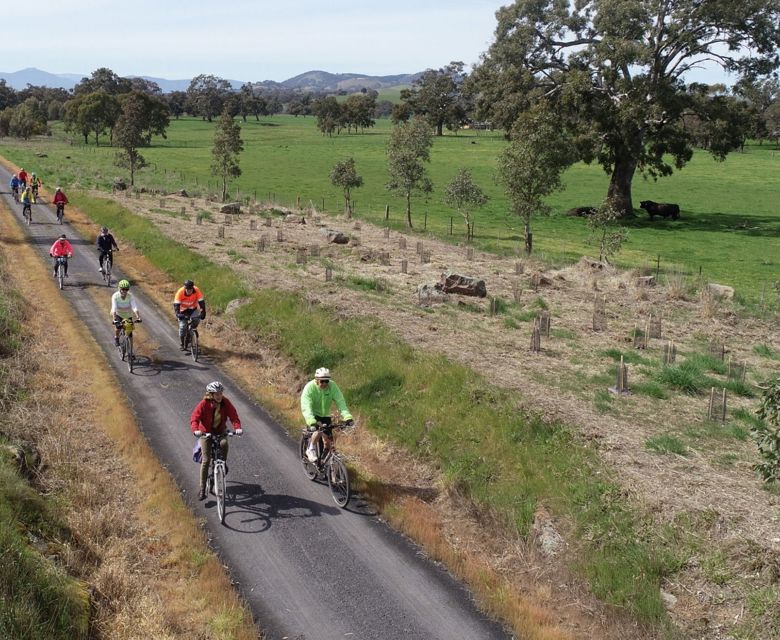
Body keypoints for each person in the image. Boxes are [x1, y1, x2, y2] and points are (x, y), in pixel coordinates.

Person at [190, 381, 243, 500]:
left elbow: (233, 416)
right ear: (211, 394)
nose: (219, 396)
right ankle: (203, 489)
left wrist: (237, 428)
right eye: (216, 394)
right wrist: (196, 430)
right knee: (206, 460)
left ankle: (223, 462)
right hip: (206, 433)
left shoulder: (225, 402)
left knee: (224, 443)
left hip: (220, 431)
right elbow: (194, 418)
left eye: (220, 393)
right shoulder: (204, 404)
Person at [300, 367, 353, 463]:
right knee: (319, 430)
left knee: (329, 445)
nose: (324, 384)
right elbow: (306, 405)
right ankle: (310, 449)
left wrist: (347, 416)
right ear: (316, 380)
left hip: (326, 415)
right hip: (313, 415)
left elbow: (340, 401)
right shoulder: (309, 387)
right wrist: (311, 420)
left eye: (326, 381)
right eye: (322, 381)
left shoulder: (332, 386)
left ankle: (324, 463)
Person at [173, 279, 206, 351]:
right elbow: (176, 305)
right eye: (187, 289)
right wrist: (178, 314)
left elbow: (202, 303)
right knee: (182, 327)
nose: (189, 291)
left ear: (193, 288)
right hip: (182, 311)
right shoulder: (180, 292)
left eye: (190, 289)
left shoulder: (197, 290)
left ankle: (191, 331)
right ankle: (182, 343)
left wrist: (203, 312)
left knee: (196, 319)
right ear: (185, 288)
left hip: (192, 309)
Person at [110, 279, 141, 346]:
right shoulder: (115, 296)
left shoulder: (130, 296)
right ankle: (116, 338)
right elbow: (114, 308)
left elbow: (134, 307)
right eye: (123, 289)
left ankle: (131, 352)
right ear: (119, 288)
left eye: (126, 289)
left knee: (130, 334)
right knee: (118, 327)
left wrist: (138, 317)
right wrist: (114, 319)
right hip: (118, 314)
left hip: (127, 315)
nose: (124, 291)